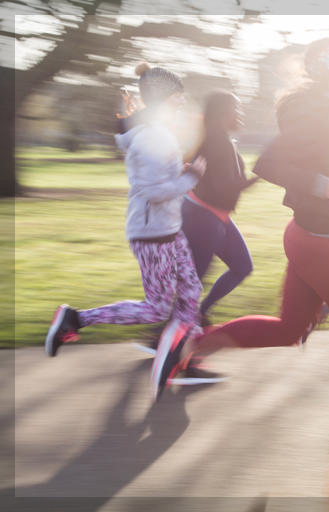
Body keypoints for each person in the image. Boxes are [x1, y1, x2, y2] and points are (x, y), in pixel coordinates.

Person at [155, 36, 329, 434]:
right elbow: (270, 162)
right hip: (318, 240)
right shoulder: (315, 112)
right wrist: (321, 183)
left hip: (312, 235)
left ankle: (190, 345)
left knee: (290, 329)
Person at [44, 63, 207, 399]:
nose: (181, 103)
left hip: (168, 229)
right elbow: (153, 191)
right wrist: (191, 178)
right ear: (163, 100)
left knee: (191, 289)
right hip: (152, 234)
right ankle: (75, 319)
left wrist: (182, 172)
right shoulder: (153, 136)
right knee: (158, 308)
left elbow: (160, 181)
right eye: (177, 98)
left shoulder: (157, 132)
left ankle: (177, 354)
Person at [181, 91, 259, 325]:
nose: (241, 113)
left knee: (242, 266)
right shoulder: (215, 141)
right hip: (203, 218)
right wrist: (256, 178)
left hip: (215, 216)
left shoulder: (220, 138)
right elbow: (224, 188)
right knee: (194, 281)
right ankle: (165, 337)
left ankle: (200, 314)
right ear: (224, 113)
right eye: (237, 108)